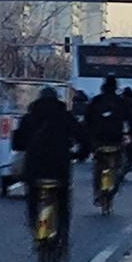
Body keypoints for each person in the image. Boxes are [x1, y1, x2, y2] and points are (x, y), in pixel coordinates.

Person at [12, 86, 84, 248]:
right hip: (59, 168)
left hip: (35, 169)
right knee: (63, 203)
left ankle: (34, 223)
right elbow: (82, 137)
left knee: (33, 198)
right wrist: (79, 154)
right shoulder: (65, 117)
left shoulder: (29, 118)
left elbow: (17, 142)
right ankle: (62, 238)